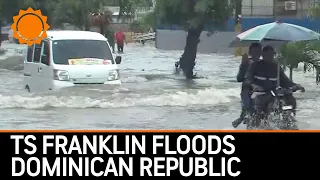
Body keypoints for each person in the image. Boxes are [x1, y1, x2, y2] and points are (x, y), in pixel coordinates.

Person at [245, 45, 305, 126]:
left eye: (271, 55)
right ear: (263, 55)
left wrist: (297, 86)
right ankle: (257, 123)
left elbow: (285, 81)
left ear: (274, 55)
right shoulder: (255, 66)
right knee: (259, 105)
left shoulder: (276, 67)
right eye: (267, 55)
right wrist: (254, 85)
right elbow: (248, 79)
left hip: (274, 92)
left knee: (291, 99)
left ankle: (289, 119)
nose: (269, 57)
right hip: (259, 93)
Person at [232, 43, 262, 128]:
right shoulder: (246, 62)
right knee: (249, 108)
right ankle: (243, 117)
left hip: (261, 90)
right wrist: (243, 65)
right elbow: (239, 78)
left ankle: (242, 118)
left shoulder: (263, 63)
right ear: (250, 52)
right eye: (254, 51)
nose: (257, 53)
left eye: (259, 51)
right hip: (247, 91)